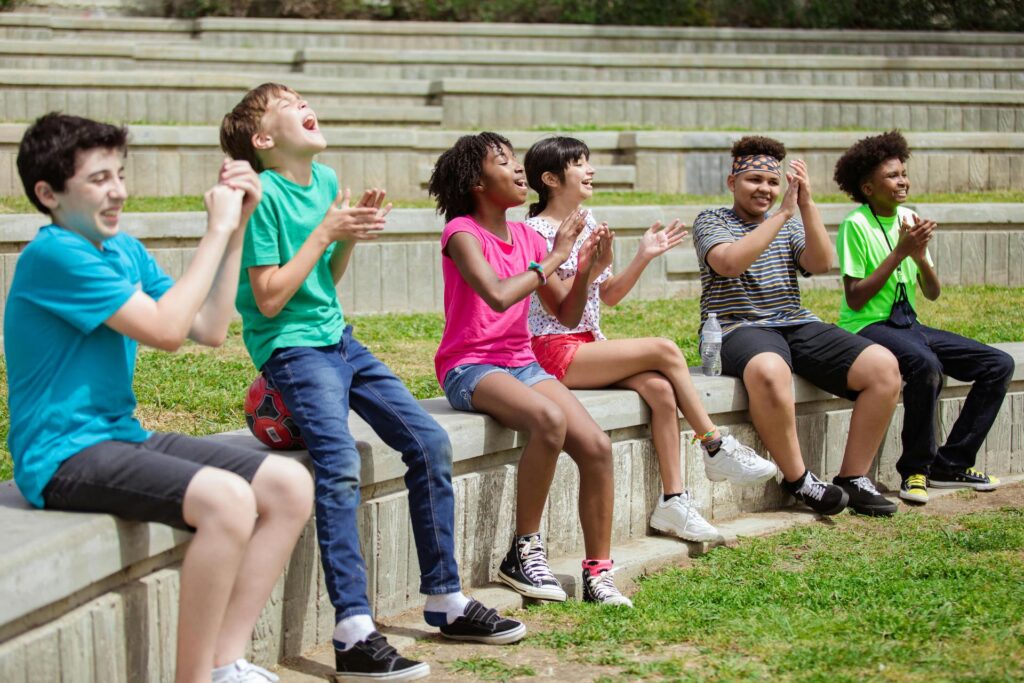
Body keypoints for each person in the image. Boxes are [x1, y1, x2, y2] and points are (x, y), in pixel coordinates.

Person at [219, 84, 524, 682]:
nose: (307, 104)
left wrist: (346, 240)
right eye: (290, 102)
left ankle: (445, 598)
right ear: (264, 139)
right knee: (338, 464)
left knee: (429, 442)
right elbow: (270, 296)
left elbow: (324, 283)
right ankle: (352, 631)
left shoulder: (326, 180)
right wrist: (329, 234)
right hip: (293, 350)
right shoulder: (264, 197)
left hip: (340, 340)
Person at [6, 112, 313, 683]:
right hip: (61, 456)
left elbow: (208, 328)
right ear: (48, 193)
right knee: (226, 501)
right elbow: (167, 332)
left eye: (119, 174)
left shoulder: (121, 249)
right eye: (98, 179)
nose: (117, 190)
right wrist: (213, 232)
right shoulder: (53, 255)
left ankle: (226, 661)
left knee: (289, 484)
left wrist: (238, 226)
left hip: (120, 436)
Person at [522, 136, 778, 543]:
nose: (590, 170)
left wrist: (643, 254)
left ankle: (674, 502)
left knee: (660, 390)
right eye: (579, 164)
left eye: (589, 162)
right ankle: (713, 444)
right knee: (664, 348)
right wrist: (588, 266)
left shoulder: (589, 223)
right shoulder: (532, 233)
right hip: (551, 349)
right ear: (550, 178)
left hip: (588, 344)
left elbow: (610, 295)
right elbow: (558, 309)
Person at [428, 132, 634, 608]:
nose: (518, 169)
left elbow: (565, 315)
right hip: (470, 366)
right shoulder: (462, 232)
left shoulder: (524, 235)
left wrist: (584, 269)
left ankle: (598, 573)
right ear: (477, 182)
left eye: (516, 160)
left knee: (597, 447)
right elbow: (497, 294)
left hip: (521, 363)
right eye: (503, 162)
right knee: (549, 420)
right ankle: (523, 550)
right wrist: (557, 258)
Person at [691, 135, 902, 517]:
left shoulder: (787, 223)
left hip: (795, 322)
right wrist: (783, 215)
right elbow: (729, 263)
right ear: (731, 182)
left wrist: (805, 204)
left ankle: (853, 477)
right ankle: (799, 479)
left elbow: (821, 263)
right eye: (754, 179)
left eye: (773, 182)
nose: (765, 189)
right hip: (737, 328)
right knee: (771, 371)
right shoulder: (712, 219)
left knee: (883, 366)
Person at [833, 130, 1013, 505]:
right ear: (868, 187)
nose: (903, 181)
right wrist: (900, 252)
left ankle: (952, 463)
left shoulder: (909, 218)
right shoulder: (856, 224)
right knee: (924, 364)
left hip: (908, 324)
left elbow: (932, 292)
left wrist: (918, 256)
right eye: (893, 176)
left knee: (998, 364)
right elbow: (855, 297)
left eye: (903, 173)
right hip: (868, 326)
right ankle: (915, 470)